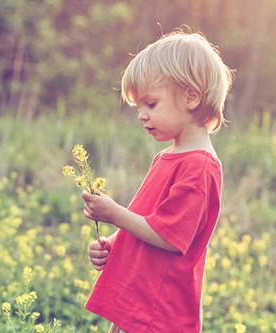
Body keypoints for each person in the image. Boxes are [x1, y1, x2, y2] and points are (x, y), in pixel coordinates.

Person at [81, 27, 234, 333]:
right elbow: (150, 220)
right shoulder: (168, 157)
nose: (141, 115)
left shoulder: (199, 167)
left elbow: (169, 237)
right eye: (139, 107)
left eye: (151, 104)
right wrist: (114, 244)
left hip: (161, 312)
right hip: (141, 300)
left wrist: (115, 215)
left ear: (191, 96)